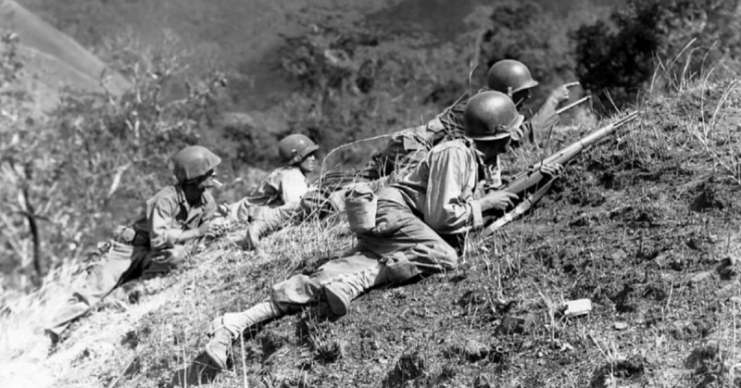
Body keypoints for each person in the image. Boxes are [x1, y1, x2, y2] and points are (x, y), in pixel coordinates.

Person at [202, 91, 563, 370]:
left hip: (402, 222)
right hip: (397, 213)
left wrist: (523, 187)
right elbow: (442, 219)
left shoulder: (483, 160)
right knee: (443, 254)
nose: (515, 138)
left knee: (331, 273)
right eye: (511, 130)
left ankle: (234, 323)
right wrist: (481, 207)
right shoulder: (457, 153)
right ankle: (366, 279)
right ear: (496, 132)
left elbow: (471, 204)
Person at [46, 145, 227, 342]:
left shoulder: (208, 204)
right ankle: (50, 335)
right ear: (195, 177)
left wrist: (214, 229)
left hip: (156, 256)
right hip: (129, 249)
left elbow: (197, 238)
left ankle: (134, 293)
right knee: (93, 291)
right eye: (209, 171)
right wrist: (197, 231)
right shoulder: (166, 198)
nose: (214, 174)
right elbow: (158, 239)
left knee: (174, 256)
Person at [365, 59, 572, 182]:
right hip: (412, 149)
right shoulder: (483, 109)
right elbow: (521, 139)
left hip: (412, 147)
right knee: (397, 187)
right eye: (523, 92)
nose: (527, 97)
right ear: (509, 92)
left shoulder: (487, 102)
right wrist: (553, 100)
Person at [224, 134, 319, 250]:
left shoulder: (285, 172)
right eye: (308, 155)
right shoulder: (292, 176)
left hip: (234, 212)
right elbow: (299, 207)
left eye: (313, 154)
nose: (313, 159)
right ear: (297, 157)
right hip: (233, 219)